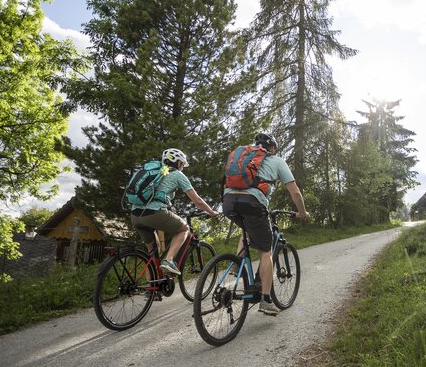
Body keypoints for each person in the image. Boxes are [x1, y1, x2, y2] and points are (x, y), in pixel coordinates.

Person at [222, 132, 309, 316]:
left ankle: (237, 264)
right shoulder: (276, 161)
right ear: (272, 148)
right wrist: (302, 212)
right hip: (253, 203)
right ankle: (266, 300)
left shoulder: (243, 157)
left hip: (229, 202)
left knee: (247, 230)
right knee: (266, 252)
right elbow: (295, 191)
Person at [130, 148, 219, 276]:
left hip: (135, 215)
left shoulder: (157, 172)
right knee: (184, 229)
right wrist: (211, 212)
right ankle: (169, 260)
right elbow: (197, 200)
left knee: (152, 253)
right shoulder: (177, 174)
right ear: (178, 163)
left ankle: (152, 289)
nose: (182, 167)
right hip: (153, 214)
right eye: (182, 164)